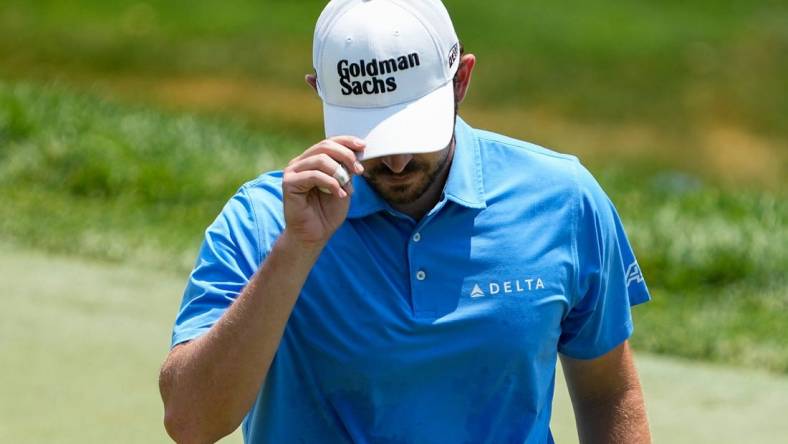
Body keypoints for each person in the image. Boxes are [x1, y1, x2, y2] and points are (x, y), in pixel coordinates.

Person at [159, 0, 652, 442]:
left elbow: (607, 391)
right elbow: (191, 422)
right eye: (369, 135)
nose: (395, 164)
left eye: (412, 133)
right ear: (318, 91)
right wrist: (297, 248)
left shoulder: (563, 199)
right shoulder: (262, 219)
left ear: (462, 79)